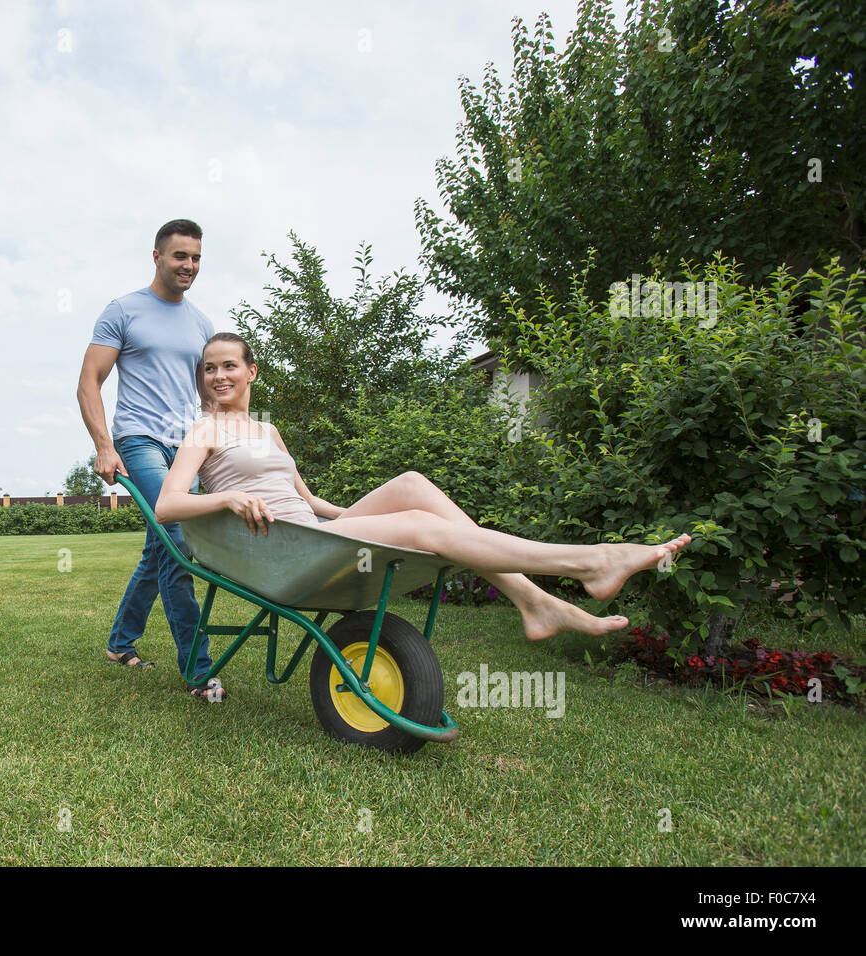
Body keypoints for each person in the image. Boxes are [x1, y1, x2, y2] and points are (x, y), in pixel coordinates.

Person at [154, 333, 693, 642]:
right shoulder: (205, 429)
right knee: (419, 526)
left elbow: (310, 501)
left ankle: (533, 601)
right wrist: (226, 497)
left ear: (252, 372)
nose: (217, 376)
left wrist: (362, 519)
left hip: (308, 532)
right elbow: (168, 504)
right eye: (208, 370)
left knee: (412, 485)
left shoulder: (267, 429)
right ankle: (589, 563)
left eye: (229, 366)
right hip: (274, 550)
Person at [75, 219, 225, 699]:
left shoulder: (201, 323)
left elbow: (209, 398)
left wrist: (216, 449)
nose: (189, 266)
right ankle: (198, 671)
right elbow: (89, 382)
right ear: (157, 256)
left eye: (196, 258)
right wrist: (104, 445)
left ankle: (121, 643)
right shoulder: (124, 311)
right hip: (138, 440)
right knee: (178, 544)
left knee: (157, 549)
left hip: (184, 450)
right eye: (181, 256)